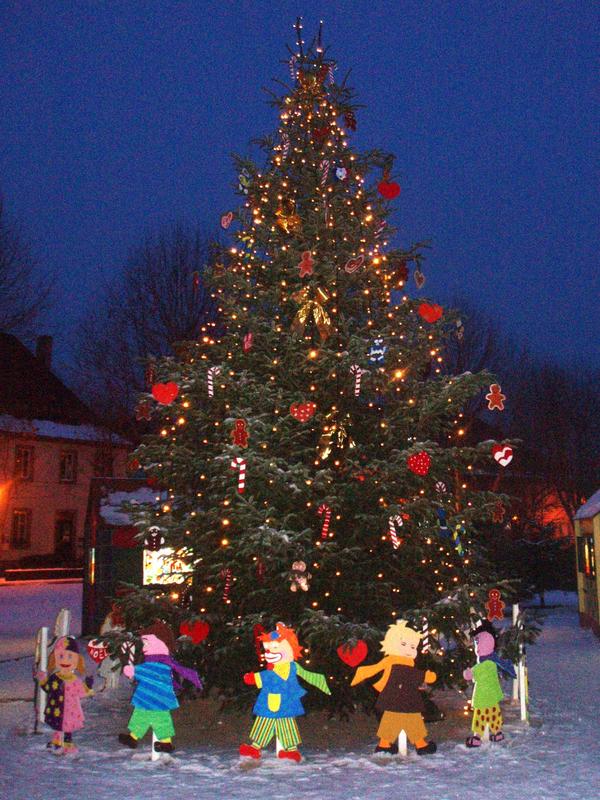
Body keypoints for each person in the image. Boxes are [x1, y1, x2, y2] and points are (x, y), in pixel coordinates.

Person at [239, 622, 331, 763]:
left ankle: (289, 751)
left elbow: (307, 675)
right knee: (267, 724)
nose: (269, 652)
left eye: (274, 648)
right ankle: (258, 747)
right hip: (273, 702)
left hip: (283, 703)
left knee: (284, 725)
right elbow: (264, 677)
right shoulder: (276, 669)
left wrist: (253, 678)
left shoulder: (290, 668)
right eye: (267, 649)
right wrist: (253, 678)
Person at [351, 619, 437, 755]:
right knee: (409, 723)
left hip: (395, 700)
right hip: (404, 700)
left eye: (413, 647)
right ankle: (419, 745)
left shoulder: (394, 662)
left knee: (395, 722)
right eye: (404, 645)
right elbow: (411, 675)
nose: (409, 650)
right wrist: (426, 675)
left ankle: (388, 745)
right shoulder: (399, 663)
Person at [118, 620, 202, 753]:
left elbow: (147, 672)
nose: (144, 647)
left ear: (160, 643)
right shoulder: (164, 662)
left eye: (147, 643)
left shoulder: (159, 663)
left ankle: (160, 742)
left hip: (153, 697)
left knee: (153, 718)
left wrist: (132, 671)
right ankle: (141, 738)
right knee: (148, 717)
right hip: (154, 697)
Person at [463, 620, 516, 748]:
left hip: (483, 697)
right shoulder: (493, 663)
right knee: (494, 715)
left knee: (480, 718)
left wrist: (467, 671)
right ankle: (497, 733)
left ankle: (477, 737)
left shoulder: (480, 667)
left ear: (479, 647)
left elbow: (468, 676)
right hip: (493, 695)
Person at [38, 636, 94, 754]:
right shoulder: (55, 678)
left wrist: (88, 686)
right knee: (58, 725)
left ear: (77, 660)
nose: (65, 661)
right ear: (55, 658)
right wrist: (43, 680)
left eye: (70, 657)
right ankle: (57, 741)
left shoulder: (74, 680)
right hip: (56, 707)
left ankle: (68, 743)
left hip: (70, 710)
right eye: (61, 656)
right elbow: (48, 688)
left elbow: (81, 692)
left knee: (68, 726)